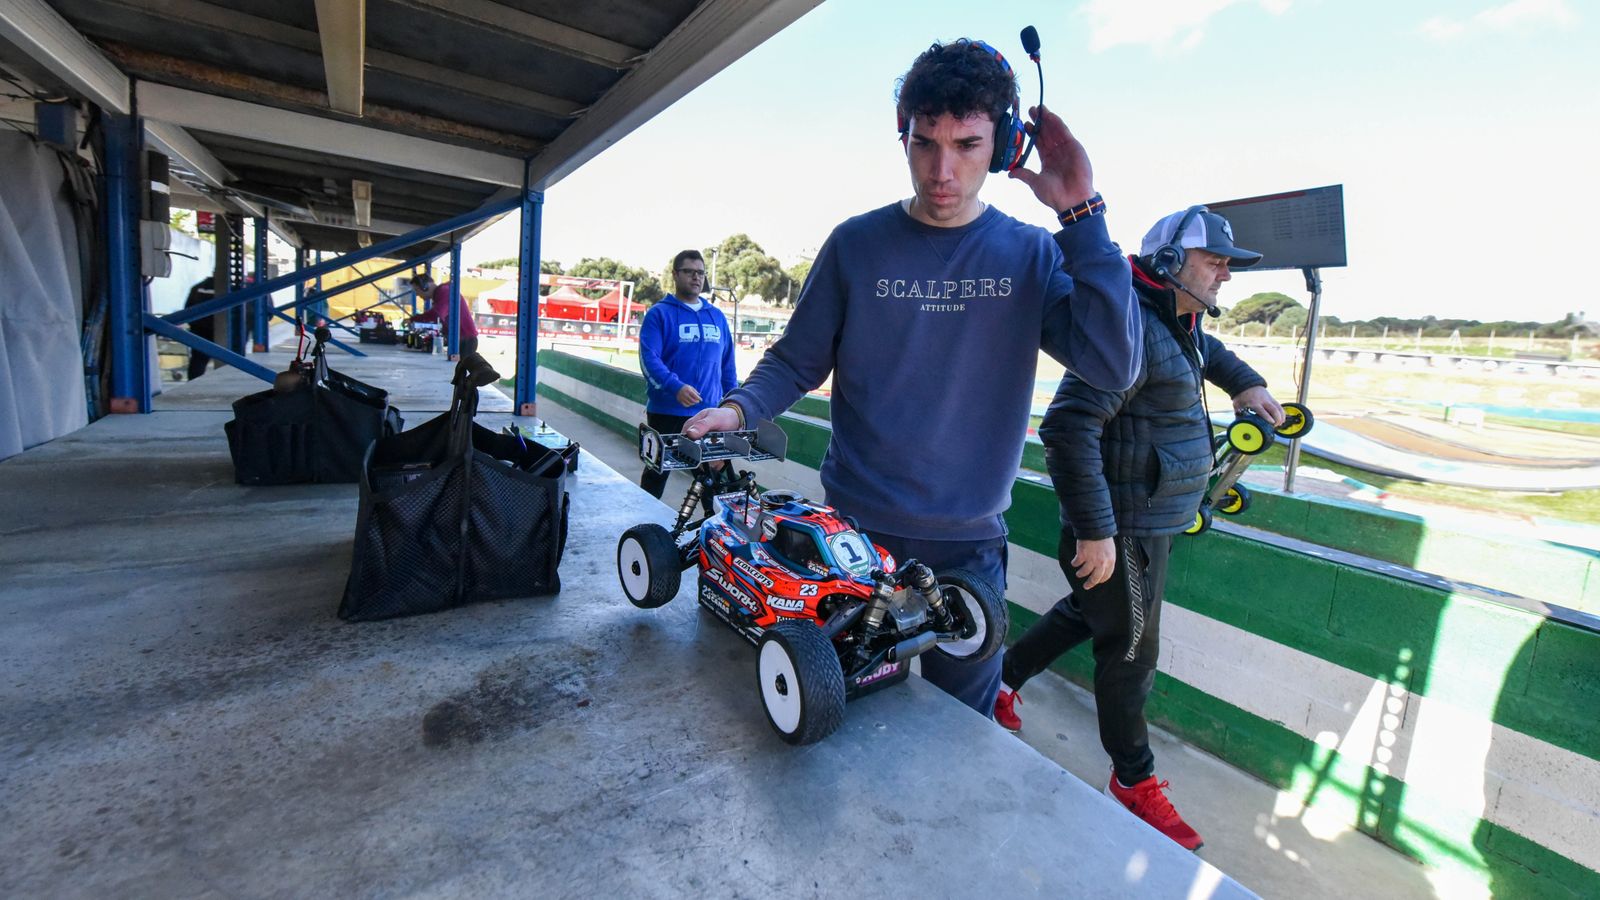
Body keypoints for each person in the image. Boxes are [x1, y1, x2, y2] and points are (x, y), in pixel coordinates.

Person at [683, 39, 1142, 718]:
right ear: (904, 134)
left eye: (967, 145)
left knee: (962, 728)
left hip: (970, 548)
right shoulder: (855, 245)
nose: (943, 170)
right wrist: (740, 409)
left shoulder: (1032, 253)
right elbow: (797, 359)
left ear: (1006, 146)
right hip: (851, 535)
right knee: (838, 715)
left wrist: (1082, 213)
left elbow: (1113, 363)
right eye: (925, 143)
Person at [993, 206, 1285, 851]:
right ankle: (1133, 781)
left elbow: (1203, 350)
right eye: (1215, 262)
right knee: (1130, 655)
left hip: (1147, 520)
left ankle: (1001, 683)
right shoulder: (1127, 329)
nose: (1225, 277)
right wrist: (1096, 532)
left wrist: (1246, 382)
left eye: (1228, 265)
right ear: (1169, 264)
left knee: (1087, 614)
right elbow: (1067, 428)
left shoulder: (1173, 325)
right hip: (1117, 529)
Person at [638, 250, 738, 501]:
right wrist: (675, 387)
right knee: (656, 474)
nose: (696, 278)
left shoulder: (716, 317)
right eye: (689, 272)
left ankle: (711, 532)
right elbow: (649, 359)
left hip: (708, 415)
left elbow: (727, 365)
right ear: (675, 274)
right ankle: (643, 525)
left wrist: (732, 402)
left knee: (712, 480)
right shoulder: (659, 314)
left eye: (701, 273)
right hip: (666, 414)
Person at [409, 273, 478, 356]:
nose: (417, 294)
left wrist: (414, 319)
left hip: (465, 339)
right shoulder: (441, 293)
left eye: (417, 290)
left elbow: (437, 314)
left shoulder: (444, 291)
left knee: (460, 367)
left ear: (425, 287)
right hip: (461, 339)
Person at [183, 278, 217, 380]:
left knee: (198, 360)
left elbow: (188, 309)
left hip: (200, 330)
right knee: (230, 360)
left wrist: (195, 325)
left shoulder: (198, 287)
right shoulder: (234, 288)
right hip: (224, 330)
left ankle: (192, 385)